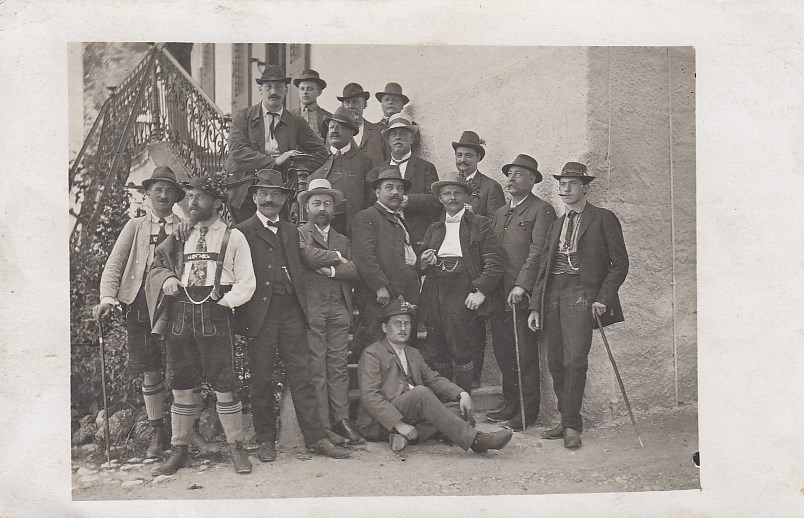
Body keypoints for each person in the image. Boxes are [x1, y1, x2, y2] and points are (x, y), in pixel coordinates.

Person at [93, 166, 218, 459]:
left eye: (169, 190)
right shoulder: (135, 226)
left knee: (187, 368)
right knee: (150, 369)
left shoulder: (185, 225)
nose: (163, 195)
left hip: (176, 303)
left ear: (177, 196)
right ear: (148, 193)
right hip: (139, 303)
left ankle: (191, 431)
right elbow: (115, 264)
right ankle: (156, 432)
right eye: (157, 190)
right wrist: (107, 297)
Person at [234, 169, 352, 462]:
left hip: (291, 311)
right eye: (264, 193)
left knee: (302, 376)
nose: (269, 199)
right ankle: (265, 440)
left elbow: (303, 261)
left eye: (275, 194)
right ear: (254, 197)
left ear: (284, 200)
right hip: (260, 313)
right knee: (261, 378)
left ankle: (316, 438)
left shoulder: (290, 230)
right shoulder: (242, 231)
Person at [146, 172, 257, 475]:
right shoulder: (181, 234)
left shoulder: (234, 237)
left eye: (200, 196)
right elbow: (158, 264)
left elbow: (247, 282)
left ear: (218, 202)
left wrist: (224, 304)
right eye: (191, 196)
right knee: (181, 383)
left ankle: (236, 447)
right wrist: (167, 279)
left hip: (216, 313)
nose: (192, 202)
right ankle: (179, 450)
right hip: (181, 314)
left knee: (224, 384)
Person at [527, 162, 629, 449]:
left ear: (585, 187)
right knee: (555, 360)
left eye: (572, 183)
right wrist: (535, 306)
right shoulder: (556, 224)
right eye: (562, 184)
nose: (565, 189)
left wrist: (602, 298)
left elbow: (620, 264)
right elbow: (543, 268)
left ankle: (571, 425)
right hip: (553, 294)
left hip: (581, 293)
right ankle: (567, 418)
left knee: (574, 360)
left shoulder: (603, 218)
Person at [356, 298, 513, 453]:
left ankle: (404, 437)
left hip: (410, 414)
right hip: (378, 422)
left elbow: (433, 379)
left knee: (458, 411)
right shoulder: (372, 353)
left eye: (407, 323)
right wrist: (399, 424)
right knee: (422, 393)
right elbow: (370, 396)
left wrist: (461, 393)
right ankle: (476, 441)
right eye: (397, 323)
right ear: (385, 327)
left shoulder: (413, 353)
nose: (403, 328)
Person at [419, 172, 504, 393]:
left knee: (461, 342)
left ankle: (464, 395)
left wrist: (481, 290)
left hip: (464, 285)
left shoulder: (480, 224)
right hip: (435, 286)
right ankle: (445, 395)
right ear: (440, 198)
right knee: (436, 340)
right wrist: (424, 261)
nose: (452, 198)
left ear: (466, 196)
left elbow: (495, 261)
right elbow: (421, 263)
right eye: (447, 194)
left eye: (457, 193)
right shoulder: (435, 228)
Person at [487, 154, 556, 430]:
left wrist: (522, 285)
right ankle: (510, 405)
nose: (511, 179)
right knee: (504, 353)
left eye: (518, 174)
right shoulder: (501, 213)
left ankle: (527, 413)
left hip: (521, 295)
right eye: (509, 174)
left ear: (532, 180)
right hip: (498, 293)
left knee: (524, 355)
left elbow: (538, 252)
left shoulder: (541, 210)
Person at [297, 179, 364, 444]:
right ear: (307, 208)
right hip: (313, 309)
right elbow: (304, 255)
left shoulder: (343, 239)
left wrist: (331, 271)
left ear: (334, 209)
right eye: (316, 203)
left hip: (339, 309)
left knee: (338, 367)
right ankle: (323, 424)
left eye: (327, 203)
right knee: (317, 367)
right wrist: (336, 258)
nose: (322, 208)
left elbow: (356, 269)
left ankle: (342, 419)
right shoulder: (299, 234)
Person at [224, 65, 327, 224]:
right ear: (260, 90)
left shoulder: (295, 121)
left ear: (286, 90)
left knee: (277, 234)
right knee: (244, 235)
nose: (274, 92)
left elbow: (320, 152)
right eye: (268, 87)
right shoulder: (243, 117)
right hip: (245, 189)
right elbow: (238, 151)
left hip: (279, 189)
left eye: (279, 87)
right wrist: (274, 161)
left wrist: (295, 172)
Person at [451, 130, 506, 388]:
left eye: (468, 156)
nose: (462, 160)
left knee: (473, 323)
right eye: (459, 155)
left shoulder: (490, 187)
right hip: (453, 264)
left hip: (475, 264)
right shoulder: (450, 184)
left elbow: (497, 226)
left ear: (478, 158)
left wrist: (474, 216)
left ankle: (473, 379)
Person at [351, 165, 421, 360]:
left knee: (403, 349)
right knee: (376, 348)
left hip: (405, 296)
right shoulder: (367, 217)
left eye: (400, 188)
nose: (395, 192)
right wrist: (379, 286)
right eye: (389, 187)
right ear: (377, 192)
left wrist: (422, 261)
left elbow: (406, 256)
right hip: (379, 297)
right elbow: (364, 257)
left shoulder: (400, 220)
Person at [367, 112, 439, 251]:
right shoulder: (377, 171)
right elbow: (370, 201)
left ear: (411, 139)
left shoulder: (426, 168)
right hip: (385, 236)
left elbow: (435, 201)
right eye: (393, 134)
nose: (398, 137)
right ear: (388, 141)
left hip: (416, 236)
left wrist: (409, 201)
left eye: (403, 134)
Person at [307, 107, 374, 236]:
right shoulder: (317, 159)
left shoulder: (364, 161)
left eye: (340, 127)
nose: (334, 130)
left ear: (351, 132)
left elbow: (370, 199)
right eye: (331, 127)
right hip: (319, 226)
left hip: (350, 228)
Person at [337, 82, 387, 167]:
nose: (351, 106)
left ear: (364, 104)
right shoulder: (335, 133)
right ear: (343, 106)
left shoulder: (379, 132)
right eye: (347, 102)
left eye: (355, 102)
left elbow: (388, 163)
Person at [290, 68, 331, 140]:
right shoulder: (289, 116)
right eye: (302, 89)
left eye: (309, 89)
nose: (305, 92)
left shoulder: (328, 117)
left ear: (319, 92)